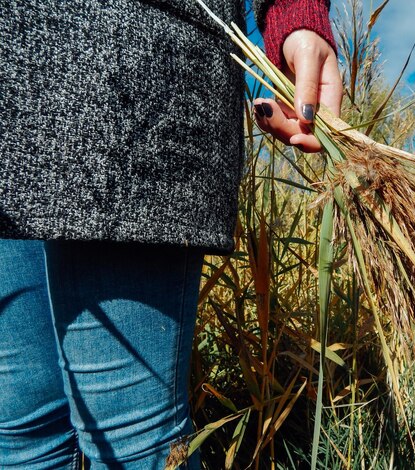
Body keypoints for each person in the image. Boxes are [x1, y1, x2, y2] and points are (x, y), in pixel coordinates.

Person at [0, 0, 342, 467]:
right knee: (20, 426)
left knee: (134, 436)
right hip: (11, 65)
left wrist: (295, 10)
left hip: (130, 65)